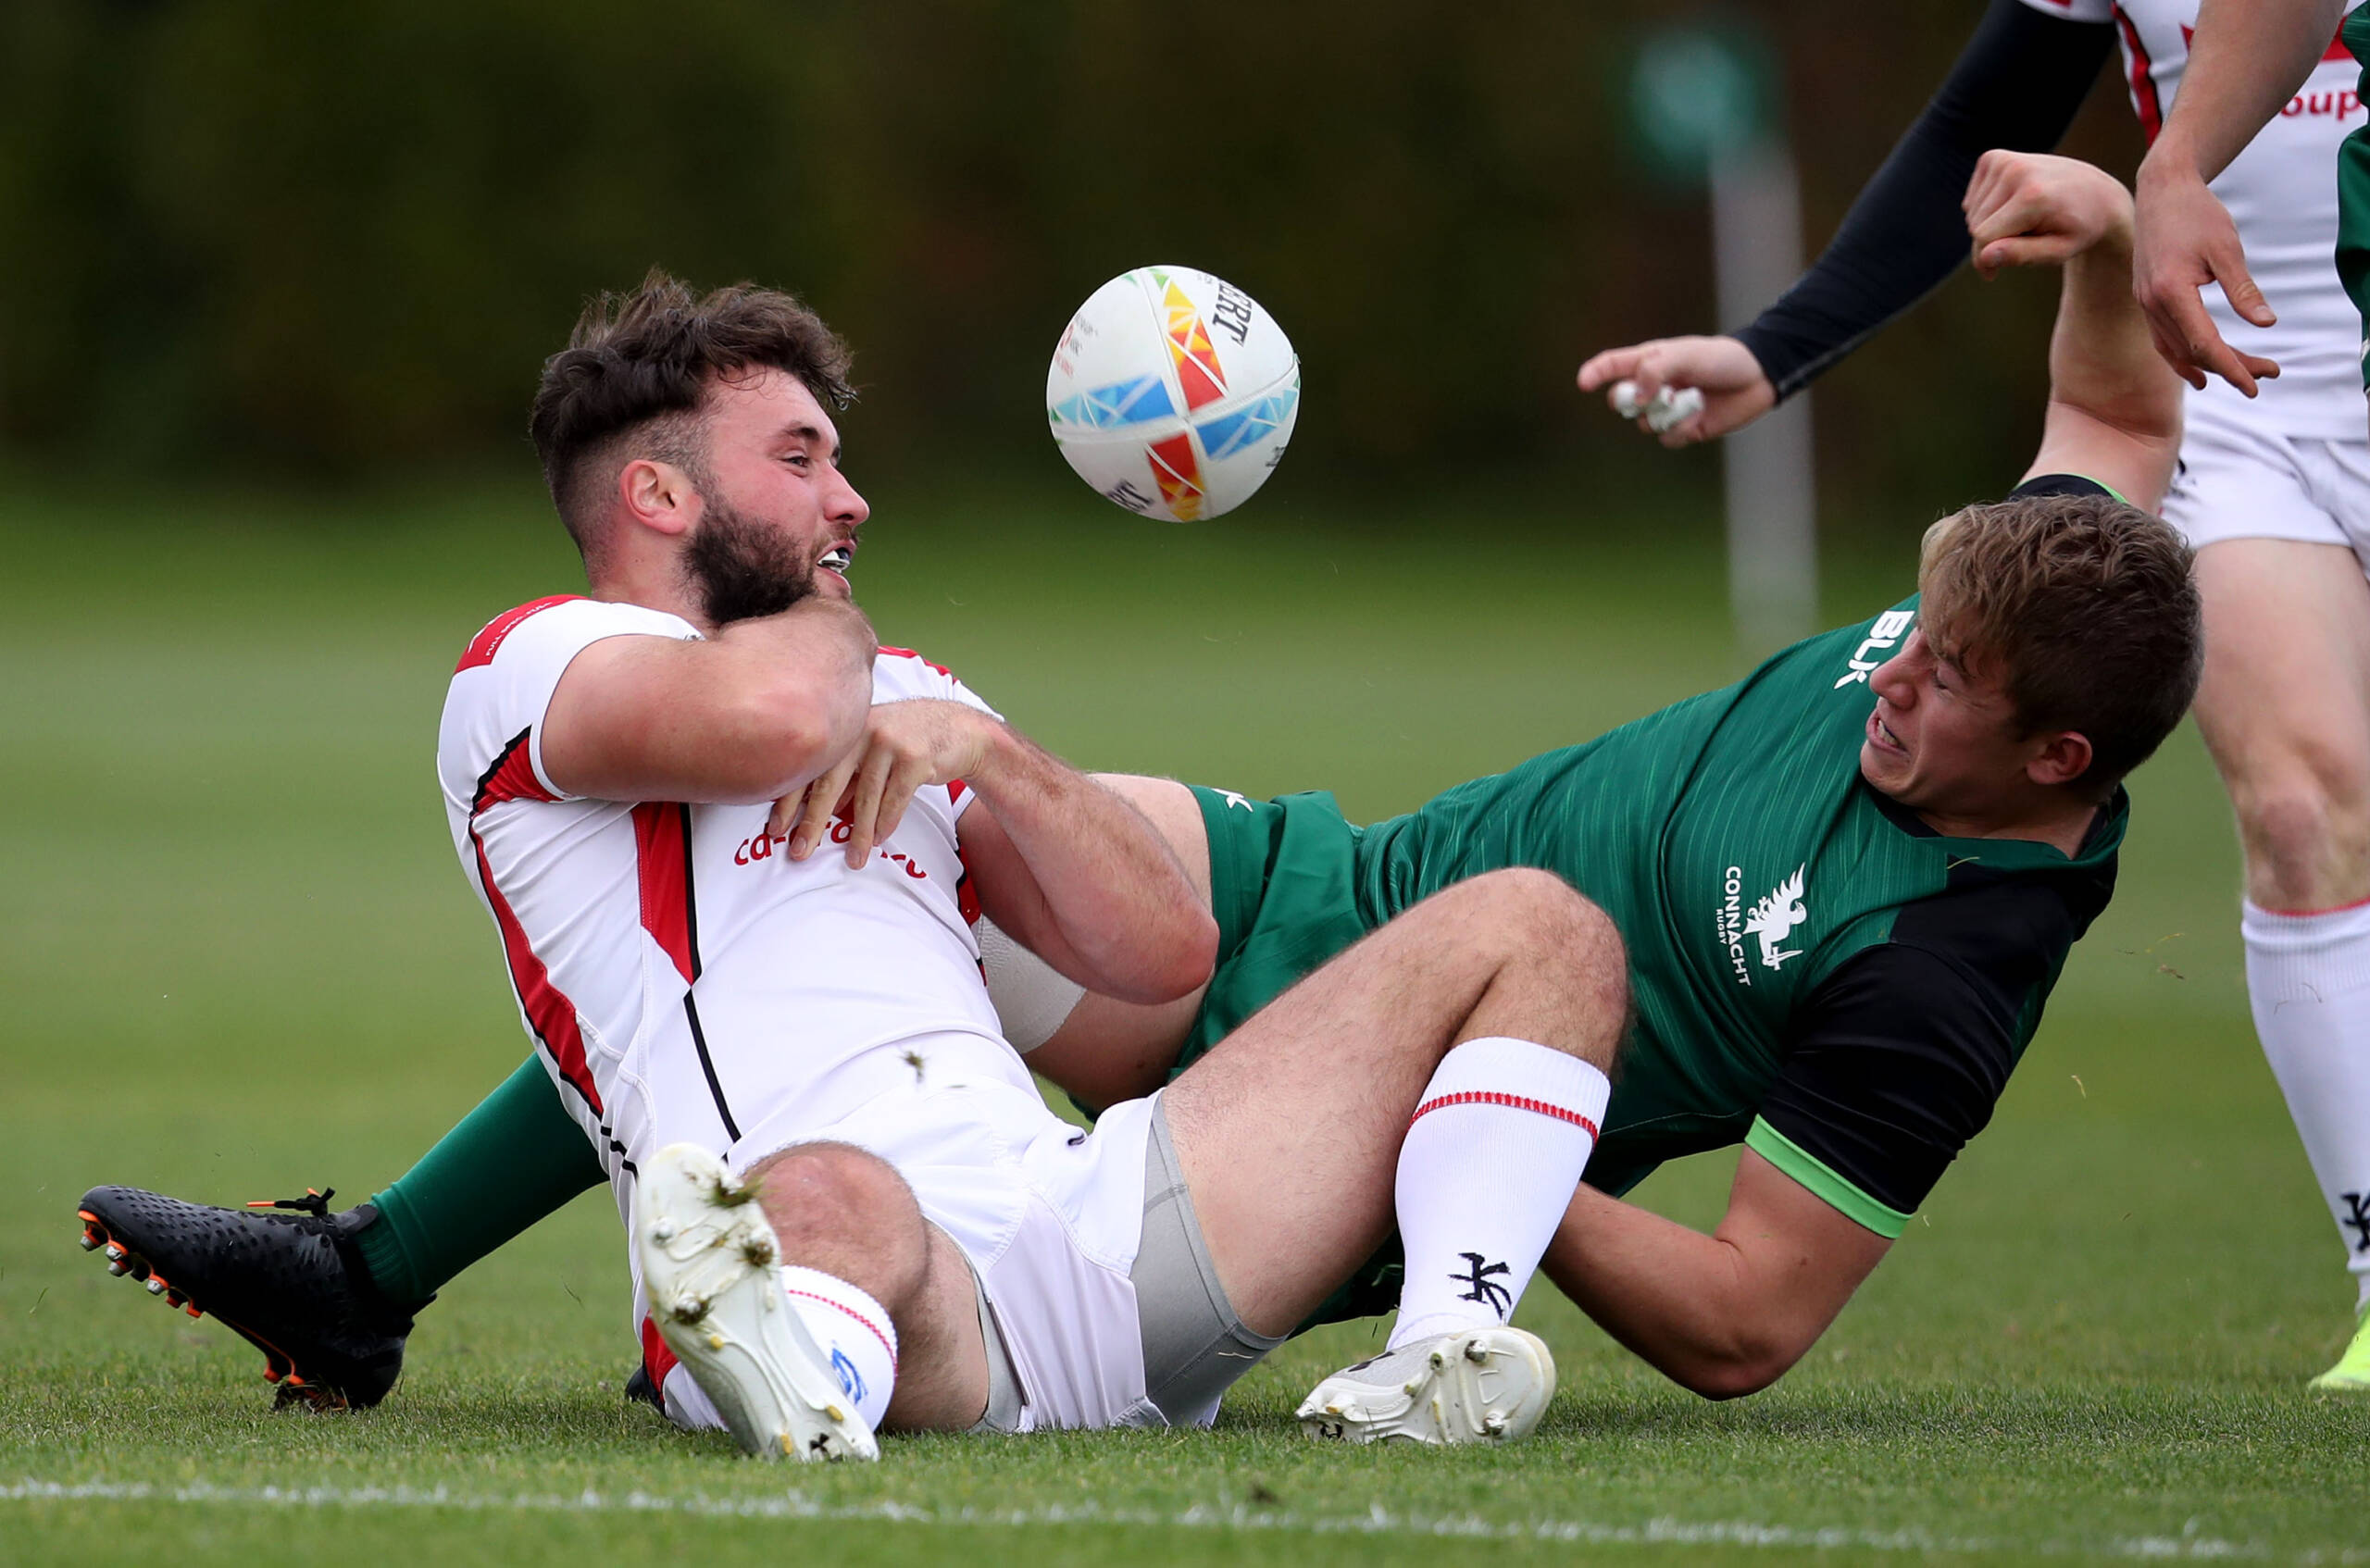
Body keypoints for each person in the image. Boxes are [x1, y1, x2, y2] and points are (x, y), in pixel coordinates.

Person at [82, 156, 2199, 1412]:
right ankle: (387, 1274)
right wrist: (2104, 233)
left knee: (787, 865)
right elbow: (2107, 421)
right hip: (1317, 884)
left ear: (2054, 758)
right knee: (752, 898)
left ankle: (421, 1276)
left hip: (1379, 1075)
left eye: (1938, 686)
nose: (1886, 677)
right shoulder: (2023, 600)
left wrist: (1474, 1141)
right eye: (1892, 637)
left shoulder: (1938, 967)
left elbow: (1745, 1319)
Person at [83, 270, 1632, 1456]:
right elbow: (765, 709)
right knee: (829, 1200)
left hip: (1080, 1222)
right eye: (804, 458)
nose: (853, 499)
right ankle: (803, 1386)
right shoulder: (542, 660)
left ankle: (1442, 1354)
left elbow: (1163, 956)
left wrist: (994, 758)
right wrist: (849, 639)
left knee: (1544, 931)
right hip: (842, 1242)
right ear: (661, 496)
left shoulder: (907, 693)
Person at [1582, 2, 2370, 1394]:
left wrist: (2173, 164)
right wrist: (1777, 352)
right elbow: (1972, 129)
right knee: (2307, 800)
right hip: (2237, 372)